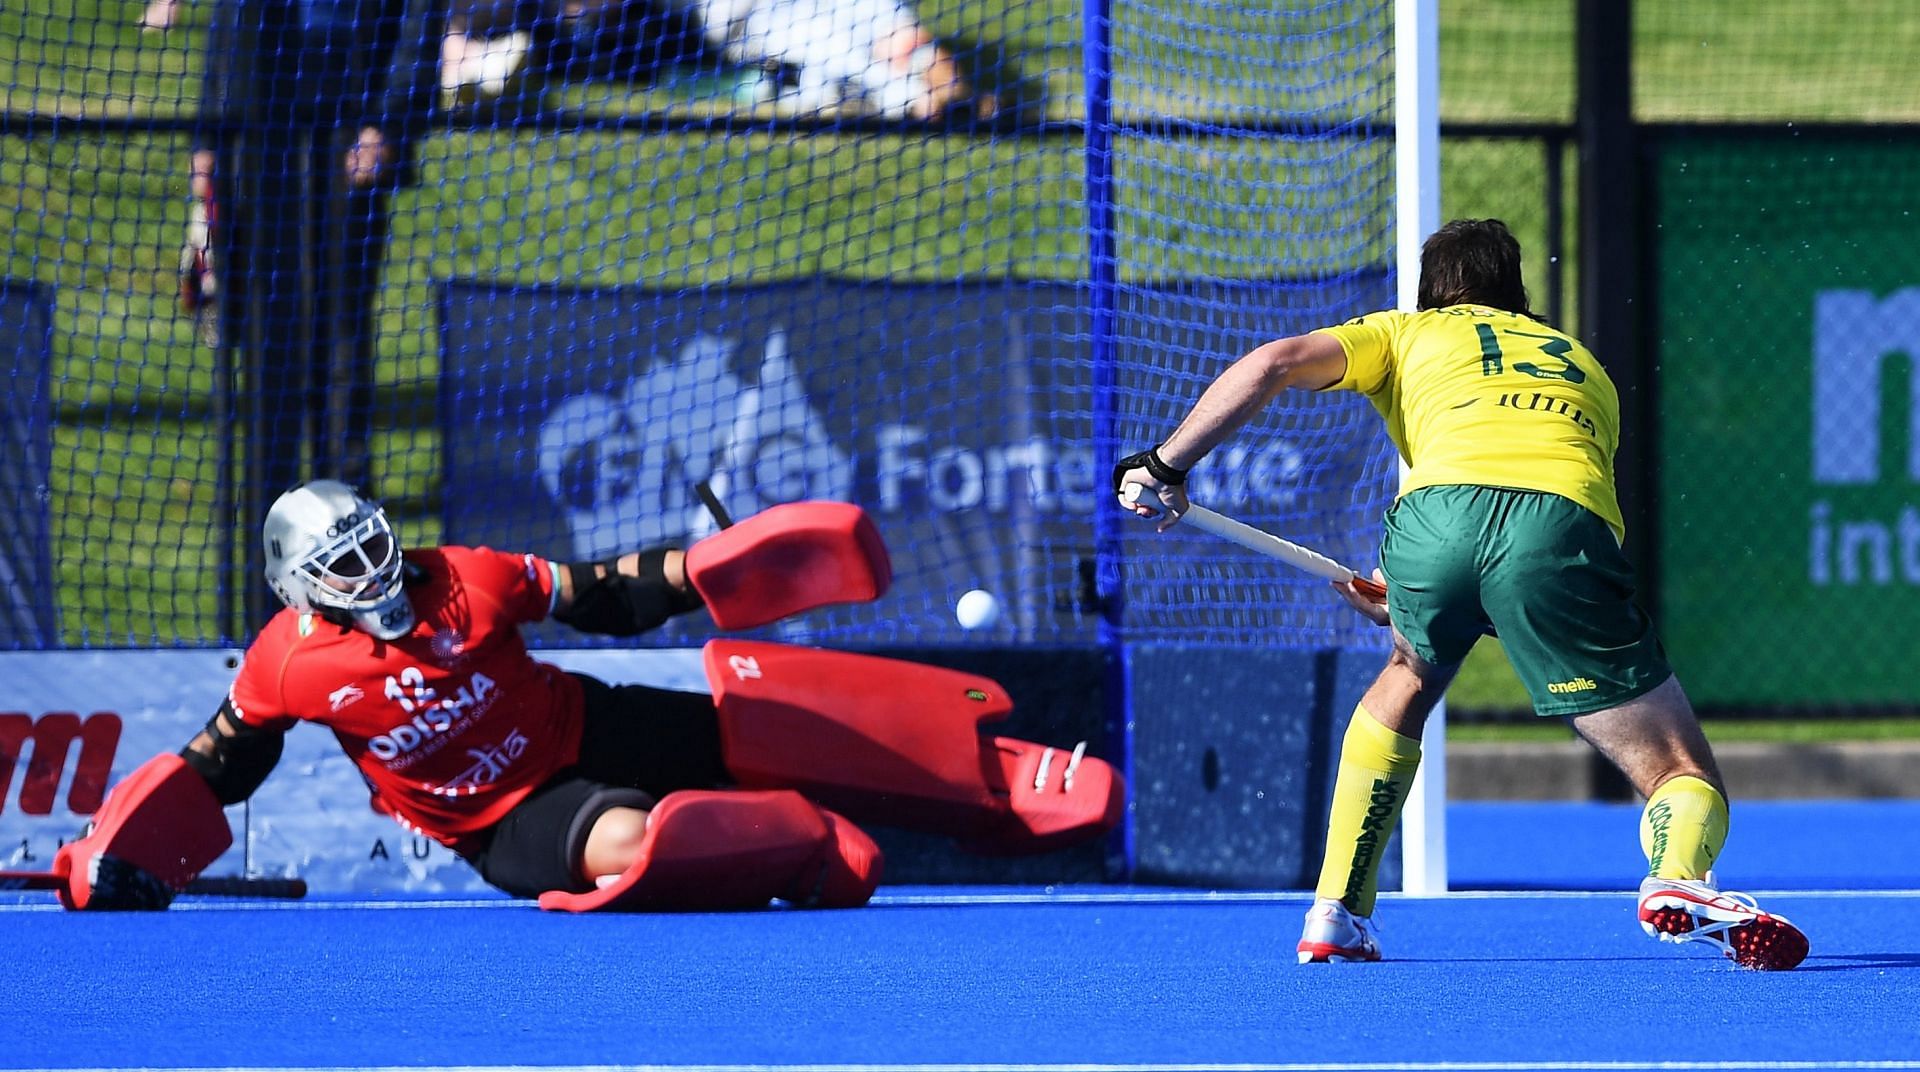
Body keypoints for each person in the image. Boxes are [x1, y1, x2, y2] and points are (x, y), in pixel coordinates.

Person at [1112, 218, 1810, 971]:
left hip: (1431, 528)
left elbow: (1275, 362)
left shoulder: (1406, 332)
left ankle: (1335, 913)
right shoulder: (1583, 365)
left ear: (1430, 291)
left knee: (1409, 673)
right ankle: (1677, 878)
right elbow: (1543, 534)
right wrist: (1499, 592)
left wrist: (1166, 463)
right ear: (1518, 295)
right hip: (1558, 528)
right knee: (1678, 771)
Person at [53, 481, 1121, 911]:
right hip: (503, 817)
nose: (371, 572)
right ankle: (793, 847)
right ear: (299, 590)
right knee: (632, 843)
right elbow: (224, 759)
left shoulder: (463, 574)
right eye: (340, 567)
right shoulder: (287, 662)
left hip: (581, 716)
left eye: (372, 544)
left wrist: (705, 570)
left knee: (765, 716)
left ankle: (990, 786)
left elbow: (600, 593)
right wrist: (126, 852)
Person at [185, 0, 444, 496]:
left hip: (350, 120)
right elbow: (228, 23)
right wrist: (206, 137)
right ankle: (270, 483)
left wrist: (384, 125)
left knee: (339, 321)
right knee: (266, 315)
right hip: (260, 118)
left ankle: (343, 492)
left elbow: (417, 26)